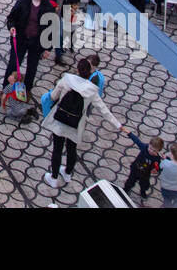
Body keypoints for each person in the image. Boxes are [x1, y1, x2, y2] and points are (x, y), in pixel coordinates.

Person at [43, 57, 125, 189]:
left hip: (60, 120)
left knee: (57, 149)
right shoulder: (92, 90)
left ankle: (54, 177)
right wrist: (118, 125)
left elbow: (53, 97)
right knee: (71, 148)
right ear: (90, 72)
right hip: (76, 123)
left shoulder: (67, 79)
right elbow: (103, 109)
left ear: (77, 69)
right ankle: (68, 173)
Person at [5, 0, 56, 93]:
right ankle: (6, 89)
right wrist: (11, 27)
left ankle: (26, 91)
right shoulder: (23, 2)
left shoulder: (48, 7)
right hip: (21, 39)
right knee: (13, 64)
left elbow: (52, 28)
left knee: (32, 68)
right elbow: (11, 18)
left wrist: (48, 48)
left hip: (36, 42)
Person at [123, 132, 165, 202]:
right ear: (149, 145)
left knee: (144, 185)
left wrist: (156, 170)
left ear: (158, 151)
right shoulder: (144, 147)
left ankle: (142, 192)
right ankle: (126, 190)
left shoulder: (157, 158)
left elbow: (158, 167)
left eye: (154, 150)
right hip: (135, 169)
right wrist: (129, 133)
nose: (151, 151)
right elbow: (136, 140)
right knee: (130, 181)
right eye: (150, 148)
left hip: (145, 174)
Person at [158, 142, 177, 207]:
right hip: (176, 188)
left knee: (167, 200)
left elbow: (160, 166)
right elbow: (175, 163)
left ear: (172, 155)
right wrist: (167, 159)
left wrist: (165, 159)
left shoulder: (166, 163)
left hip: (165, 187)